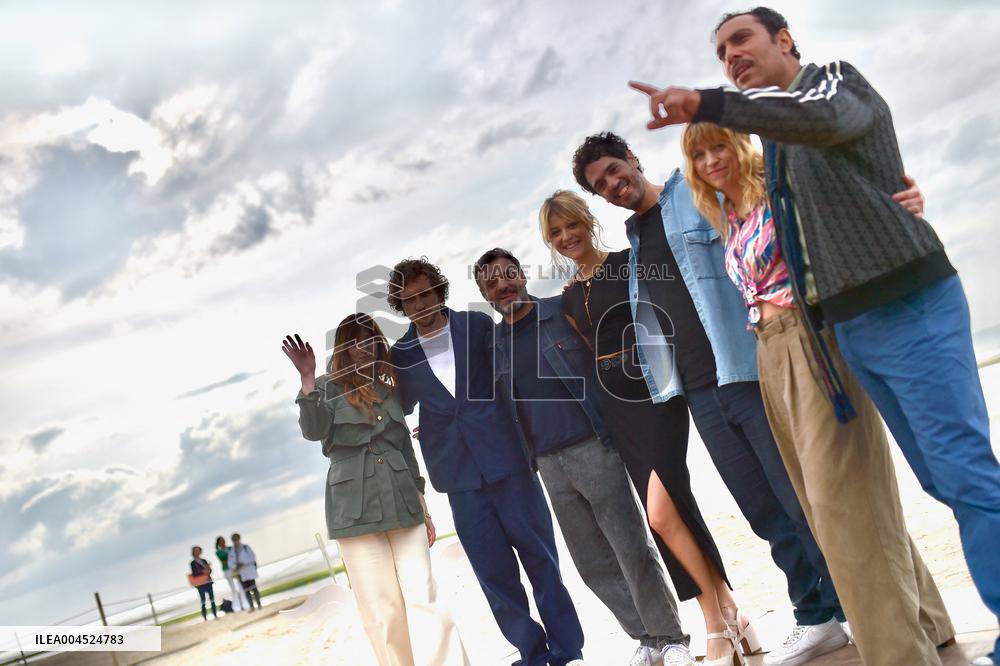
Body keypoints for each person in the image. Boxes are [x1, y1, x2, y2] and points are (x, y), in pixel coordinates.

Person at [628, 7, 1000, 664]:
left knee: (943, 483)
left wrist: (708, 103)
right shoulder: (771, 168)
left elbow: (831, 124)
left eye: (741, 40)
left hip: (883, 312)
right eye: (720, 52)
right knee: (908, 490)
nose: (731, 55)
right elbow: (838, 195)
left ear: (784, 39)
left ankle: (901, 647)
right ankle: (928, 626)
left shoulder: (830, 85)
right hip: (832, 333)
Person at [681, 120, 955, 666]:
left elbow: (851, 205)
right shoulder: (726, 214)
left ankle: (899, 652)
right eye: (700, 153)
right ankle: (929, 622)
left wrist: (904, 202)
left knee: (842, 504)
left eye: (719, 146)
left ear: (740, 145)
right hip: (768, 353)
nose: (712, 159)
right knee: (832, 500)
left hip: (813, 341)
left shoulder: (781, 187)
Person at [539, 191, 743, 666]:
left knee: (660, 515)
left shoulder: (631, 263)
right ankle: (733, 613)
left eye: (571, 225)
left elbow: (669, 311)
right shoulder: (568, 295)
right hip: (615, 407)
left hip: (655, 392)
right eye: (555, 232)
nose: (566, 237)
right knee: (678, 510)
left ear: (587, 221)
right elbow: (577, 354)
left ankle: (715, 623)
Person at [475, 247, 695, 666]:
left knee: (630, 547)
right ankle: (646, 637)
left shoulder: (561, 310)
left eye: (508, 275)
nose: (502, 285)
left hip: (593, 444)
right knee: (591, 561)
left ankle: (671, 637)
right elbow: (493, 403)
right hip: (547, 463)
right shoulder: (494, 344)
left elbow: (608, 355)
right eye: (491, 283)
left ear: (521, 275)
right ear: (486, 294)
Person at [386, 258, 585, 666]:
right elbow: (401, 407)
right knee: (494, 575)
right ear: (400, 306)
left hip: (508, 459)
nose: (420, 304)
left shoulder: (477, 326)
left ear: (439, 291)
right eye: (409, 300)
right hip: (457, 476)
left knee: (541, 559)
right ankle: (532, 652)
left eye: (425, 294)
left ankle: (568, 651)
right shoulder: (400, 354)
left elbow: (510, 371)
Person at [283, 314, 469, 666]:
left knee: (424, 595)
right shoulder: (323, 387)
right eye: (353, 342)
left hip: (402, 500)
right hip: (353, 507)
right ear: (343, 348)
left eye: (368, 339)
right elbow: (312, 429)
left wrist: (424, 508)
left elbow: (404, 449)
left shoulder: (389, 387)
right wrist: (306, 377)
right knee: (381, 609)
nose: (362, 347)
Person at [229, 533, 263, 611]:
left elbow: (253, 557)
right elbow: (230, 563)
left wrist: (243, 563)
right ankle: (251, 607)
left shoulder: (246, 547)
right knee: (246, 591)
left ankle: (259, 604)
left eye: (236, 539)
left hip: (249, 571)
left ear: (239, 539)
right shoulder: (232, 551)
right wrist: (236, 566)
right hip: (240, 573)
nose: (235, 541)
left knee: (254, 588)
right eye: (234, 540)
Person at [215, 536, 248, 612]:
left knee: (240, 586)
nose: (223, 542)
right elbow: (223, 560)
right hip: (227, 570)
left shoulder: (230, 548)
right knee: (233, 589)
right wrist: (230, 559)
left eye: (223, 540)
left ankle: (245, 604)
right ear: (218, 543)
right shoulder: (218, 552)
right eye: (221, 541)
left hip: (234, 568)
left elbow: (235, 557)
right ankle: (237, 607)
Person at [190, 546, 218, 621]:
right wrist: (203, 570)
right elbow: (194, 574)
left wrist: (208, 569)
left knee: (212, 599)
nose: (197, 552)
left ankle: (215, 615)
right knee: (203, 601)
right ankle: (205, 618)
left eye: (198, 550)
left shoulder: (204, 560)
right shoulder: (193, 563)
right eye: (195, 551)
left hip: (208, 582)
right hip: (200, 584)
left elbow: (209, 571)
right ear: (193, 553)